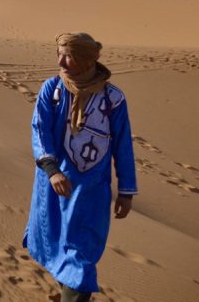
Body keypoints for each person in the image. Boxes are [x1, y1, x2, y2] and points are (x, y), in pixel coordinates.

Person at [24, 33, 137, 301]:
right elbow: (40, 132)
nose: (61, 61)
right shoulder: (52, 90)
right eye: (59, 53)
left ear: (87, 60)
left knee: (81, 259)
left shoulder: (114, 99)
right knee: (57, 244)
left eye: (69, 55)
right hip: (55, 188)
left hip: (91, 194)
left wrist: (126, 191)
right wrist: (52, 170)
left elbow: (123, 146)